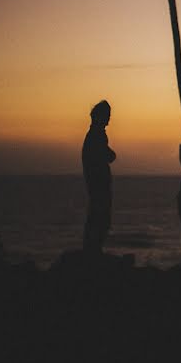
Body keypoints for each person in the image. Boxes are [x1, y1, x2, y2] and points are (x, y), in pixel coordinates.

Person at [82, 100, 116, 255]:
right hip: (98, 182)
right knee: (100, 215)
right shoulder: (97, 135)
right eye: (107, 114)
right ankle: (93, 249)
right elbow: (103, 154)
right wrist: (110, 154)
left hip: (97, 181)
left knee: (98, 214)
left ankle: (93, 248)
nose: (109, 118)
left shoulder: (95, 134)